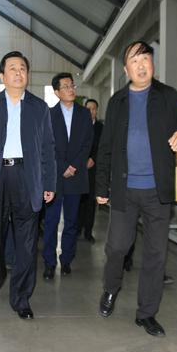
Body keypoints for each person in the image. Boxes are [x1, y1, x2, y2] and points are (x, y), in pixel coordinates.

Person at [95, 40, 177, 337]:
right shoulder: (117, 102)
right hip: (124, 189)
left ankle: (147, 314)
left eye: (145, 59)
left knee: (156, 255)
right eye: (134, 60)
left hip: (157, 191)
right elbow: (105, 147)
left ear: (152, 64)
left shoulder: (167, 96)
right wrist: (101, 185)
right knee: (117, 248)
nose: (141, 65)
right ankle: (111, 287)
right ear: (126, 69)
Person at [0, 51, 56, 320]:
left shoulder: (39, 108)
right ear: (2, 76)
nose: (18, 72)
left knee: (27, 243)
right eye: (12, 68)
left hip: (27, 177)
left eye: (22, 68)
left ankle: (21, 298)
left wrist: (49, 182)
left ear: (27, 75)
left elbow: (48, 148)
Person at [42, 73, 93, 279]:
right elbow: (47, 145)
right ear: (56, 92)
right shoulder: (49, 114)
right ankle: (49, 262)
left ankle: (66, 261)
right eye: (65, 86)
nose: (71, 89)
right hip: (55, 176)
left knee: (71, 222)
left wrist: (74, 166)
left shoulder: (84, 114)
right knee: (51, 221)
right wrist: (63, 166)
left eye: (72, 85)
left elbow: (87, 143)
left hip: (76, 175)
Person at [76, 98, 103, 244]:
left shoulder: (101, 128)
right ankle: (77, 229)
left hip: (93, 170)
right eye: (88, 109)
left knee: (91, 203)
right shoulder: (79, 126)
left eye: (93, 109)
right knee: (79, 201)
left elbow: (103, 147)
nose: (91, 111)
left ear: (97, 111)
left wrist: (94, 158)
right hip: (80, 169)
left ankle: (88, 232)